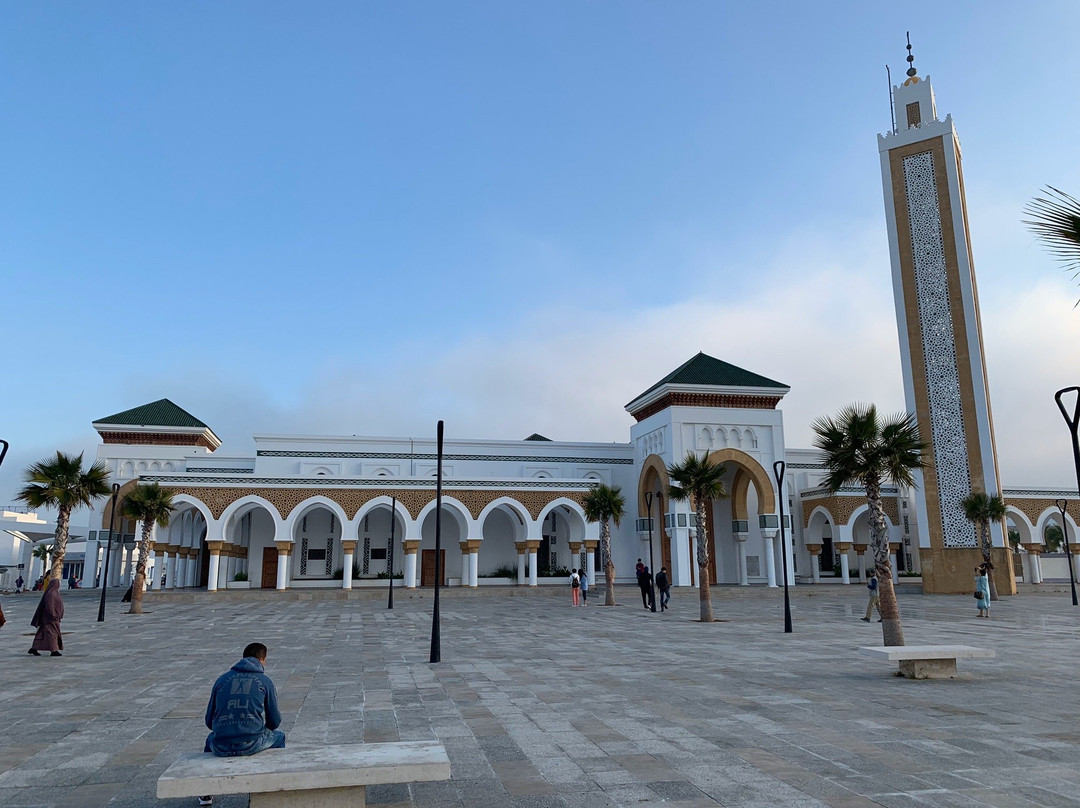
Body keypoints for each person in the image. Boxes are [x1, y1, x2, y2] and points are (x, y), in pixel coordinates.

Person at [201, 642, 285, 805]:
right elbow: (274, 721)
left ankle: (205, 793)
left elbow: (209, 721)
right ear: (262, 659)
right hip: (251, 742)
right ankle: (275, 785)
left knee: (209, 740)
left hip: (221, 744)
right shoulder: (264, 681)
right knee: (279, 736)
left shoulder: (221, 680)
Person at [28, 577, 64, 656]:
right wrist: (53, 614)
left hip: (54, 617)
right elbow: (49, 606)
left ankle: (34, 648)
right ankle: (54, 650)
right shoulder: (50, 594)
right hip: (49, 618)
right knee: (52, 633)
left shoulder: (55, 593)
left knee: (42, 633)